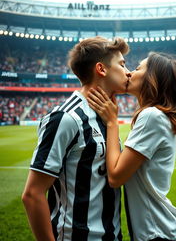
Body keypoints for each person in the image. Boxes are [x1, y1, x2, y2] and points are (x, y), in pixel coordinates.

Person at [22, 36, 130, 241]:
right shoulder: (66, 118)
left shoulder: (107, 116)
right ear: (102, 69)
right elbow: (32, 194)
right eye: (122, 64)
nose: (128, 72)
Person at [87, 52, 176, 241]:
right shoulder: (157, 116)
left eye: (137, 69)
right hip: (161, 232)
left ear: (152, 78)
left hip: (159, 234)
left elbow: (116, 176)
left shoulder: (152, 116)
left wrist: (112, 122)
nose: (129, 73)